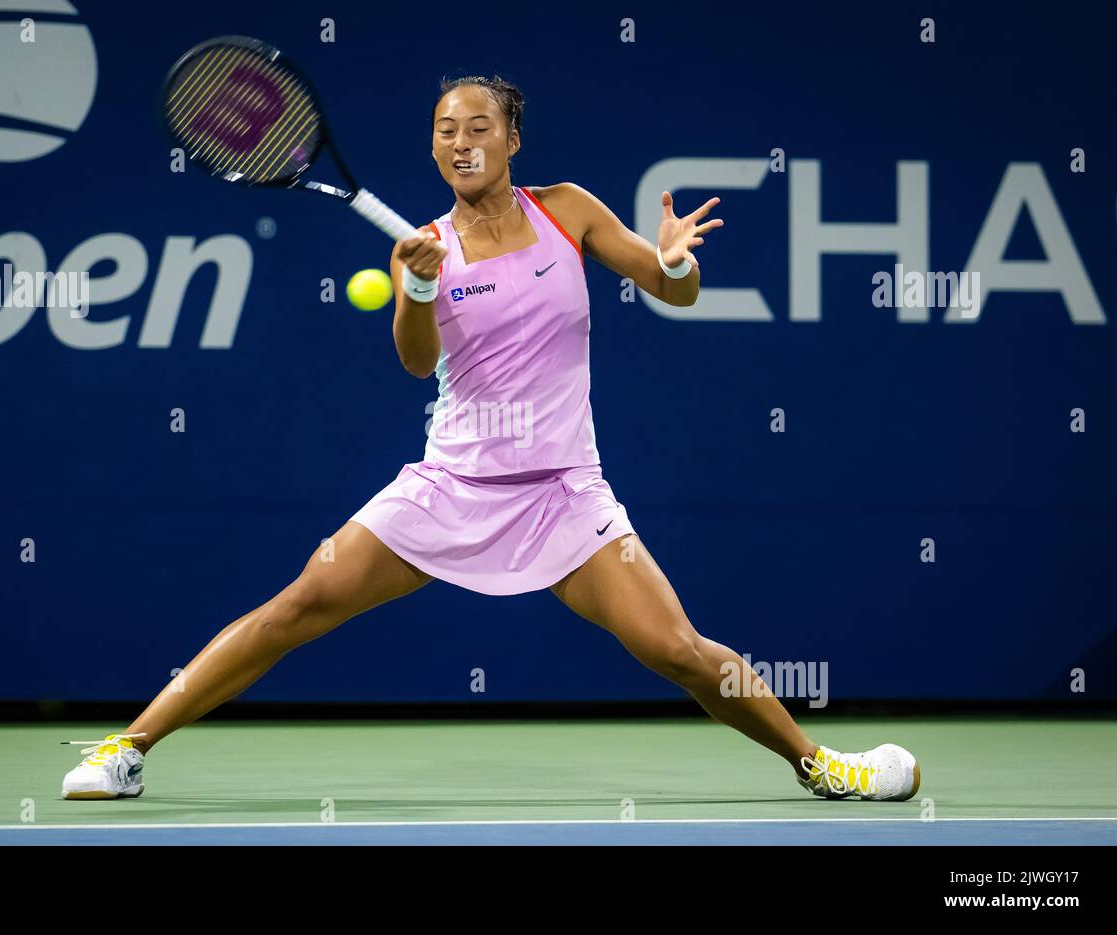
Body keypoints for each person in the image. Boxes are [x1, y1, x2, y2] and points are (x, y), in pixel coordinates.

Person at [62, 75, 920, 803]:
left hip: (562, 492)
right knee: (297, 606)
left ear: (513, 138)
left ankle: (823, 766)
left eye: (480, 127)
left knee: (679, 650)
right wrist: (422, 292)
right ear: (434, 151)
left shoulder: (569, 210)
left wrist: (679, 262)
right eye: (446, 131)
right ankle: (127, 746)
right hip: (451, 486)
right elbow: (413, 362)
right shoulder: (420, 249)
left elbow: (671, 289)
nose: (462, 140)